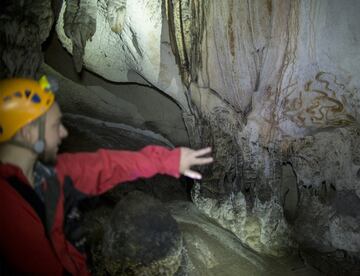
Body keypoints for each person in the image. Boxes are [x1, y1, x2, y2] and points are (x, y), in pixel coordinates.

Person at [0, 76, 213, 275]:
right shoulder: (10, 214)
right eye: (55, 126)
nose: (63, 133)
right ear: (28, 133)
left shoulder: (50, 174)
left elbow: (108, 166)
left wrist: (170, 161)